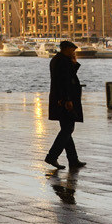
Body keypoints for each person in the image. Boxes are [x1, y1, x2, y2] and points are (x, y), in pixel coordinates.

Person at [45, 40, 86, 169]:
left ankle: (73, 159)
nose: (74, 52)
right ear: (66, 49)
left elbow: (67, 76)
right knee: (68, 129)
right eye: (72, 50)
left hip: (60, 99)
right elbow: (65, 81)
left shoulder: (59, 60)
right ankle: (52, 156)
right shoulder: (63, 61)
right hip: (64, 100)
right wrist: (67, 99)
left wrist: (74, 63)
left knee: (67, 129)